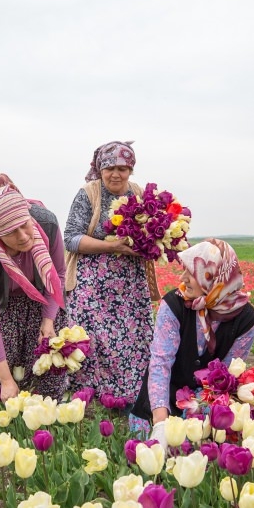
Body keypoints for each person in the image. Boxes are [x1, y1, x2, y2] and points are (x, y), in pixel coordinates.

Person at [0, 185, 81, 424]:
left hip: (41, 295)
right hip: (0, 302)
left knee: (50, 345)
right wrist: (5, 380)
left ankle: (45, 413)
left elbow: (56, 273)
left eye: (24, 225)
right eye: (12, 233)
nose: (24, 236)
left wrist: (48, 321)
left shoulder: (46, 223)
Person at [129, 239, 254, 438]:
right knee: (152, 448)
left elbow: (225, 377)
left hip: (208, 401)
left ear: (215, 276)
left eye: (192, 273)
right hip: (164, 397)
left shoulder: (246, 319)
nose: (183, 278)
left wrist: (197, 411)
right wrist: (161, 423)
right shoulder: (174, 304)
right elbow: (160, 364)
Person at [63, 140, 160, 405]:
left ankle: (131, 394)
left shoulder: (138, 193)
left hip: (130, 283)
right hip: (93, 283)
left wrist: (146, 245)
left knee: (133, 336)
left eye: (122, 168)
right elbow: (70, 238)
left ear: (131, 170)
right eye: (109, 168)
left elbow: (153, 235)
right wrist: (111, 245)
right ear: (99, 168)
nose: (116, 174)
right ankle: (90, 395)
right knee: (94, 338)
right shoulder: (88, 194)